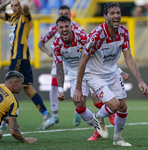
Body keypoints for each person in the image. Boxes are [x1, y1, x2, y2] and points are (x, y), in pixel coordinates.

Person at [38, 5, 129, 129]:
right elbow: (59, 68)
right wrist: (61, 90)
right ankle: (98, 128)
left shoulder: (82, 36)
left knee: (97, 100)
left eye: (67, 26)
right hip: (74, 73)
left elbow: (100, 54)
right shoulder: (56, 44)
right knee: (79, 105)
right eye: (61, 27)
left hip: (90, 68)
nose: (64, 29)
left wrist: (119, 70)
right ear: (57, 29)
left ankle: (109, 113)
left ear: (71, 24)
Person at [73, 2, 148, 146]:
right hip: (94, 75)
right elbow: (83, 60)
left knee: (123, 107)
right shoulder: (96, 35)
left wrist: (140, 80)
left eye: (118, 13)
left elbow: (128, 57)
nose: (116, 16)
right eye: (112, 13)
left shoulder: (124, 32)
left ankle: (118, 139)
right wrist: (78, 87)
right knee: (113, 105)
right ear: (105, 16)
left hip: (112, 73)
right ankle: (98, 116)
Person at [0, 0, 51, 130]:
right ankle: (47, 116)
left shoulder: (25, 18)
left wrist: (22, 4)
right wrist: (6, 4)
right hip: (24, 59)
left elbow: (26, 8)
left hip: (18, 58)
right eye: (12, 6)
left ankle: (2, 121)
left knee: (7, 88)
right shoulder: (11, 17)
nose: (14, 8)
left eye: (16, 5)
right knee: (28, 89)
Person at [38, 5, 87, 127]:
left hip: (74, 59)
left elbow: (88, 41)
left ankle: (78, 111)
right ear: (58, 15)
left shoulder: (76, 27)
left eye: (66, 13)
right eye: (61, 14)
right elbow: (40, 43)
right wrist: (48, 52)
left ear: (70, 15)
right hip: (60, 58)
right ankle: (55, 115)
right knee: (54, 84)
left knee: (76, 85)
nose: (63, 15)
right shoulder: (55, 28)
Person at [0, 71, 37, 143]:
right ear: (14, 83)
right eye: (21, 83)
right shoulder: (13, 102)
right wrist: (25, 140)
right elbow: (13, 130)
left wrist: (5, 119)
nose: (22, 87)